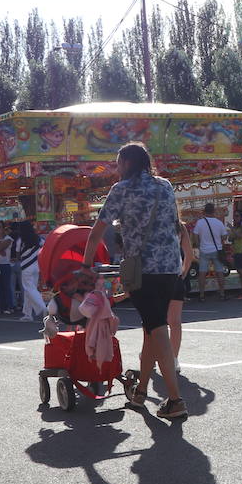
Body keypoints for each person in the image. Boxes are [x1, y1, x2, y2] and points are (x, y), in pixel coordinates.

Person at [82, 142, 189, 419]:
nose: (117, 169)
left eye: (118, 164)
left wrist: (85, 264)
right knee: (151, 328)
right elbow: (176, 223)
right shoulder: (165, 185)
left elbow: (96, 232)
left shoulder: (122, 190)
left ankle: (175, 400)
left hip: (143, 270)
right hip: (170, 267)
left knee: (156, 328)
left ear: (128, 163)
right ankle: (140, 393)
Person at [166, 219, 195, 372]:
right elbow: (189, 255)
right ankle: (174, 358)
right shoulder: (179, 226)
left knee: (154, 322)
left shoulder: (149, 221)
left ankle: (148, 353)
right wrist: (182, 273)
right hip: (175, 276)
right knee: (175, 322)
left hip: (154, 277)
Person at [192, 203, 229, 300]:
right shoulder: (219, 223)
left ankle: (201, 295)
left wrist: (199, 245)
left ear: (204, 211)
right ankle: (222, 293)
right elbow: (224, 236)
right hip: (217, 250)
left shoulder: (200, 223)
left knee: (202, 273)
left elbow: (195, 235)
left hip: (204, 250)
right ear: (214, 211)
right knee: (219, 272)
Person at [13, 220, 46, 322]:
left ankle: (43, 308)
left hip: (26, 267)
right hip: (37, 267)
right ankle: (27, 314)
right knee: (29, 290)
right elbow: (44, 249)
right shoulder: (39, 239)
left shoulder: (20, 240)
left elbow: (17, 255)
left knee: (30, 289)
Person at [0, 220, 16, 314]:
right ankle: (0, 307)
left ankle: (9, 307)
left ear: (3, 228)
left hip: (5, 265)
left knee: (6, 286)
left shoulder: (8, 238)